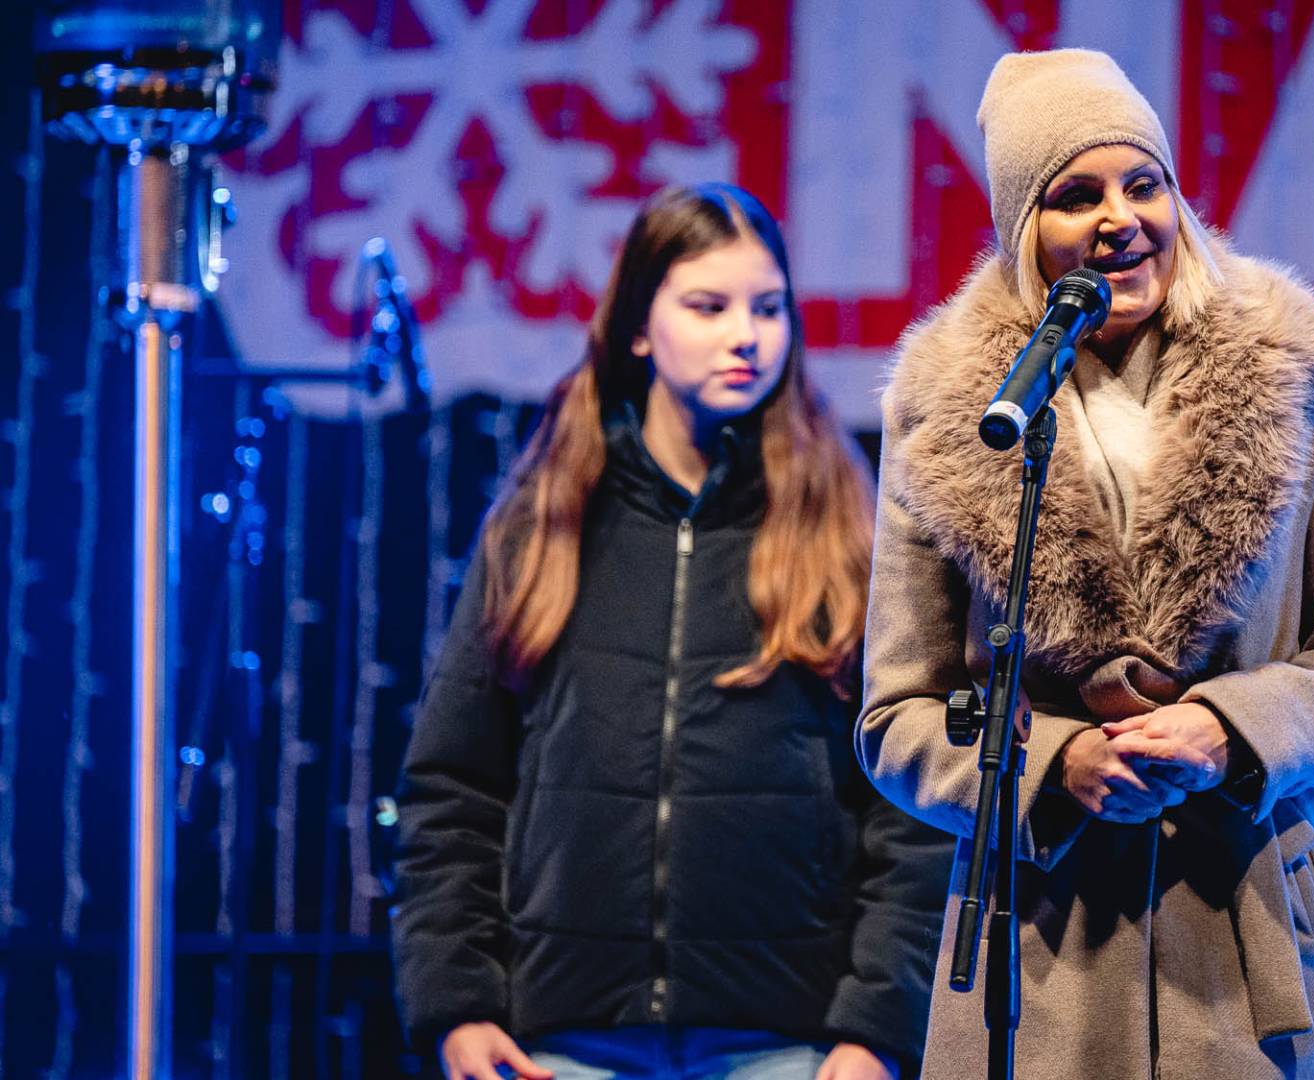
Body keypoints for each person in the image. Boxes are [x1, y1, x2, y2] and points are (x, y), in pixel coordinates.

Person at [857, 50, 1314, 1079]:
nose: (1120, 219)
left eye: (1144, 184)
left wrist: (1230, 729)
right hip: (1044, 953)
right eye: (1077, 196)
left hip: (1256, 943)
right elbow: (897, 719)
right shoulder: (948, 408)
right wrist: (1055, 765)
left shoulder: (1300, 367)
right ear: (1024, 230)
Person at [393, 183, 949, 1080]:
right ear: (639, 328)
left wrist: (879, 1027)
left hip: (790, 1044)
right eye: (708, 306)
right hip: (562, 1040)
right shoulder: (543, 525)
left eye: (768, 308)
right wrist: (456, 1003)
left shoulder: (845, 530)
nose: (747, 335)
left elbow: (910, 803)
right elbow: (454, 786)